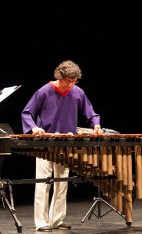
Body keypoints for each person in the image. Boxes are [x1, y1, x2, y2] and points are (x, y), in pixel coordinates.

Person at [21, 60, 102, 232]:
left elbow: (91, 112)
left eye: (74, 81)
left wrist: (95, 124)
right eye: (68, 81)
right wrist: (34, 127)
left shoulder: (77, 92)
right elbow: (27, 112)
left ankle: (57, 219)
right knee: (43, 183)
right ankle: (41, 222)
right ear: (60, 76)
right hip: (44, 144)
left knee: (62, 182)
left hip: (66, 144)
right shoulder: (45, 91)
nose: (71, 84)